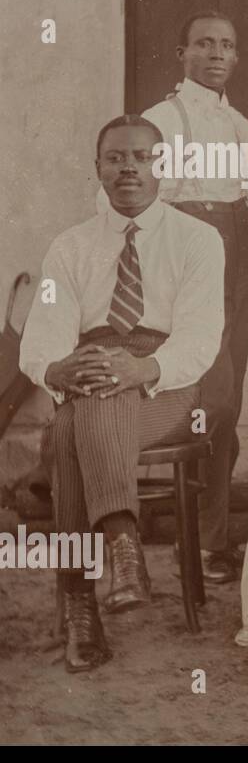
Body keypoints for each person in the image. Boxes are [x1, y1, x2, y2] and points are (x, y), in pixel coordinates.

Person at [21, 115, 223, 673]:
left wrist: (144, 367)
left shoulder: (198, 240)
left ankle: (83, 600)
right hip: (93, 372)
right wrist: (57, 369)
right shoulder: (71, 246)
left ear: (164, 167)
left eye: (142, 157)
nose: (128, 167)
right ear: (98, 169)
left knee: (78, 417)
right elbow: (42, 339)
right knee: (76, 416)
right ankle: (123, 553)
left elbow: (202, 339)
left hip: (168, 384)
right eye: (115, 158)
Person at [96, 11, 248, 583]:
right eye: (204, 44)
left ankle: (212, 542)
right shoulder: (160, 120)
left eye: (227, 45)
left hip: (236, 253)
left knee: (228, 402)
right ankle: (161, 537)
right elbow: (122, 196)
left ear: (237, 58)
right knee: (200, 395)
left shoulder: (238, 124)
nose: (216, 54)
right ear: (181, 53)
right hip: (184, 256)